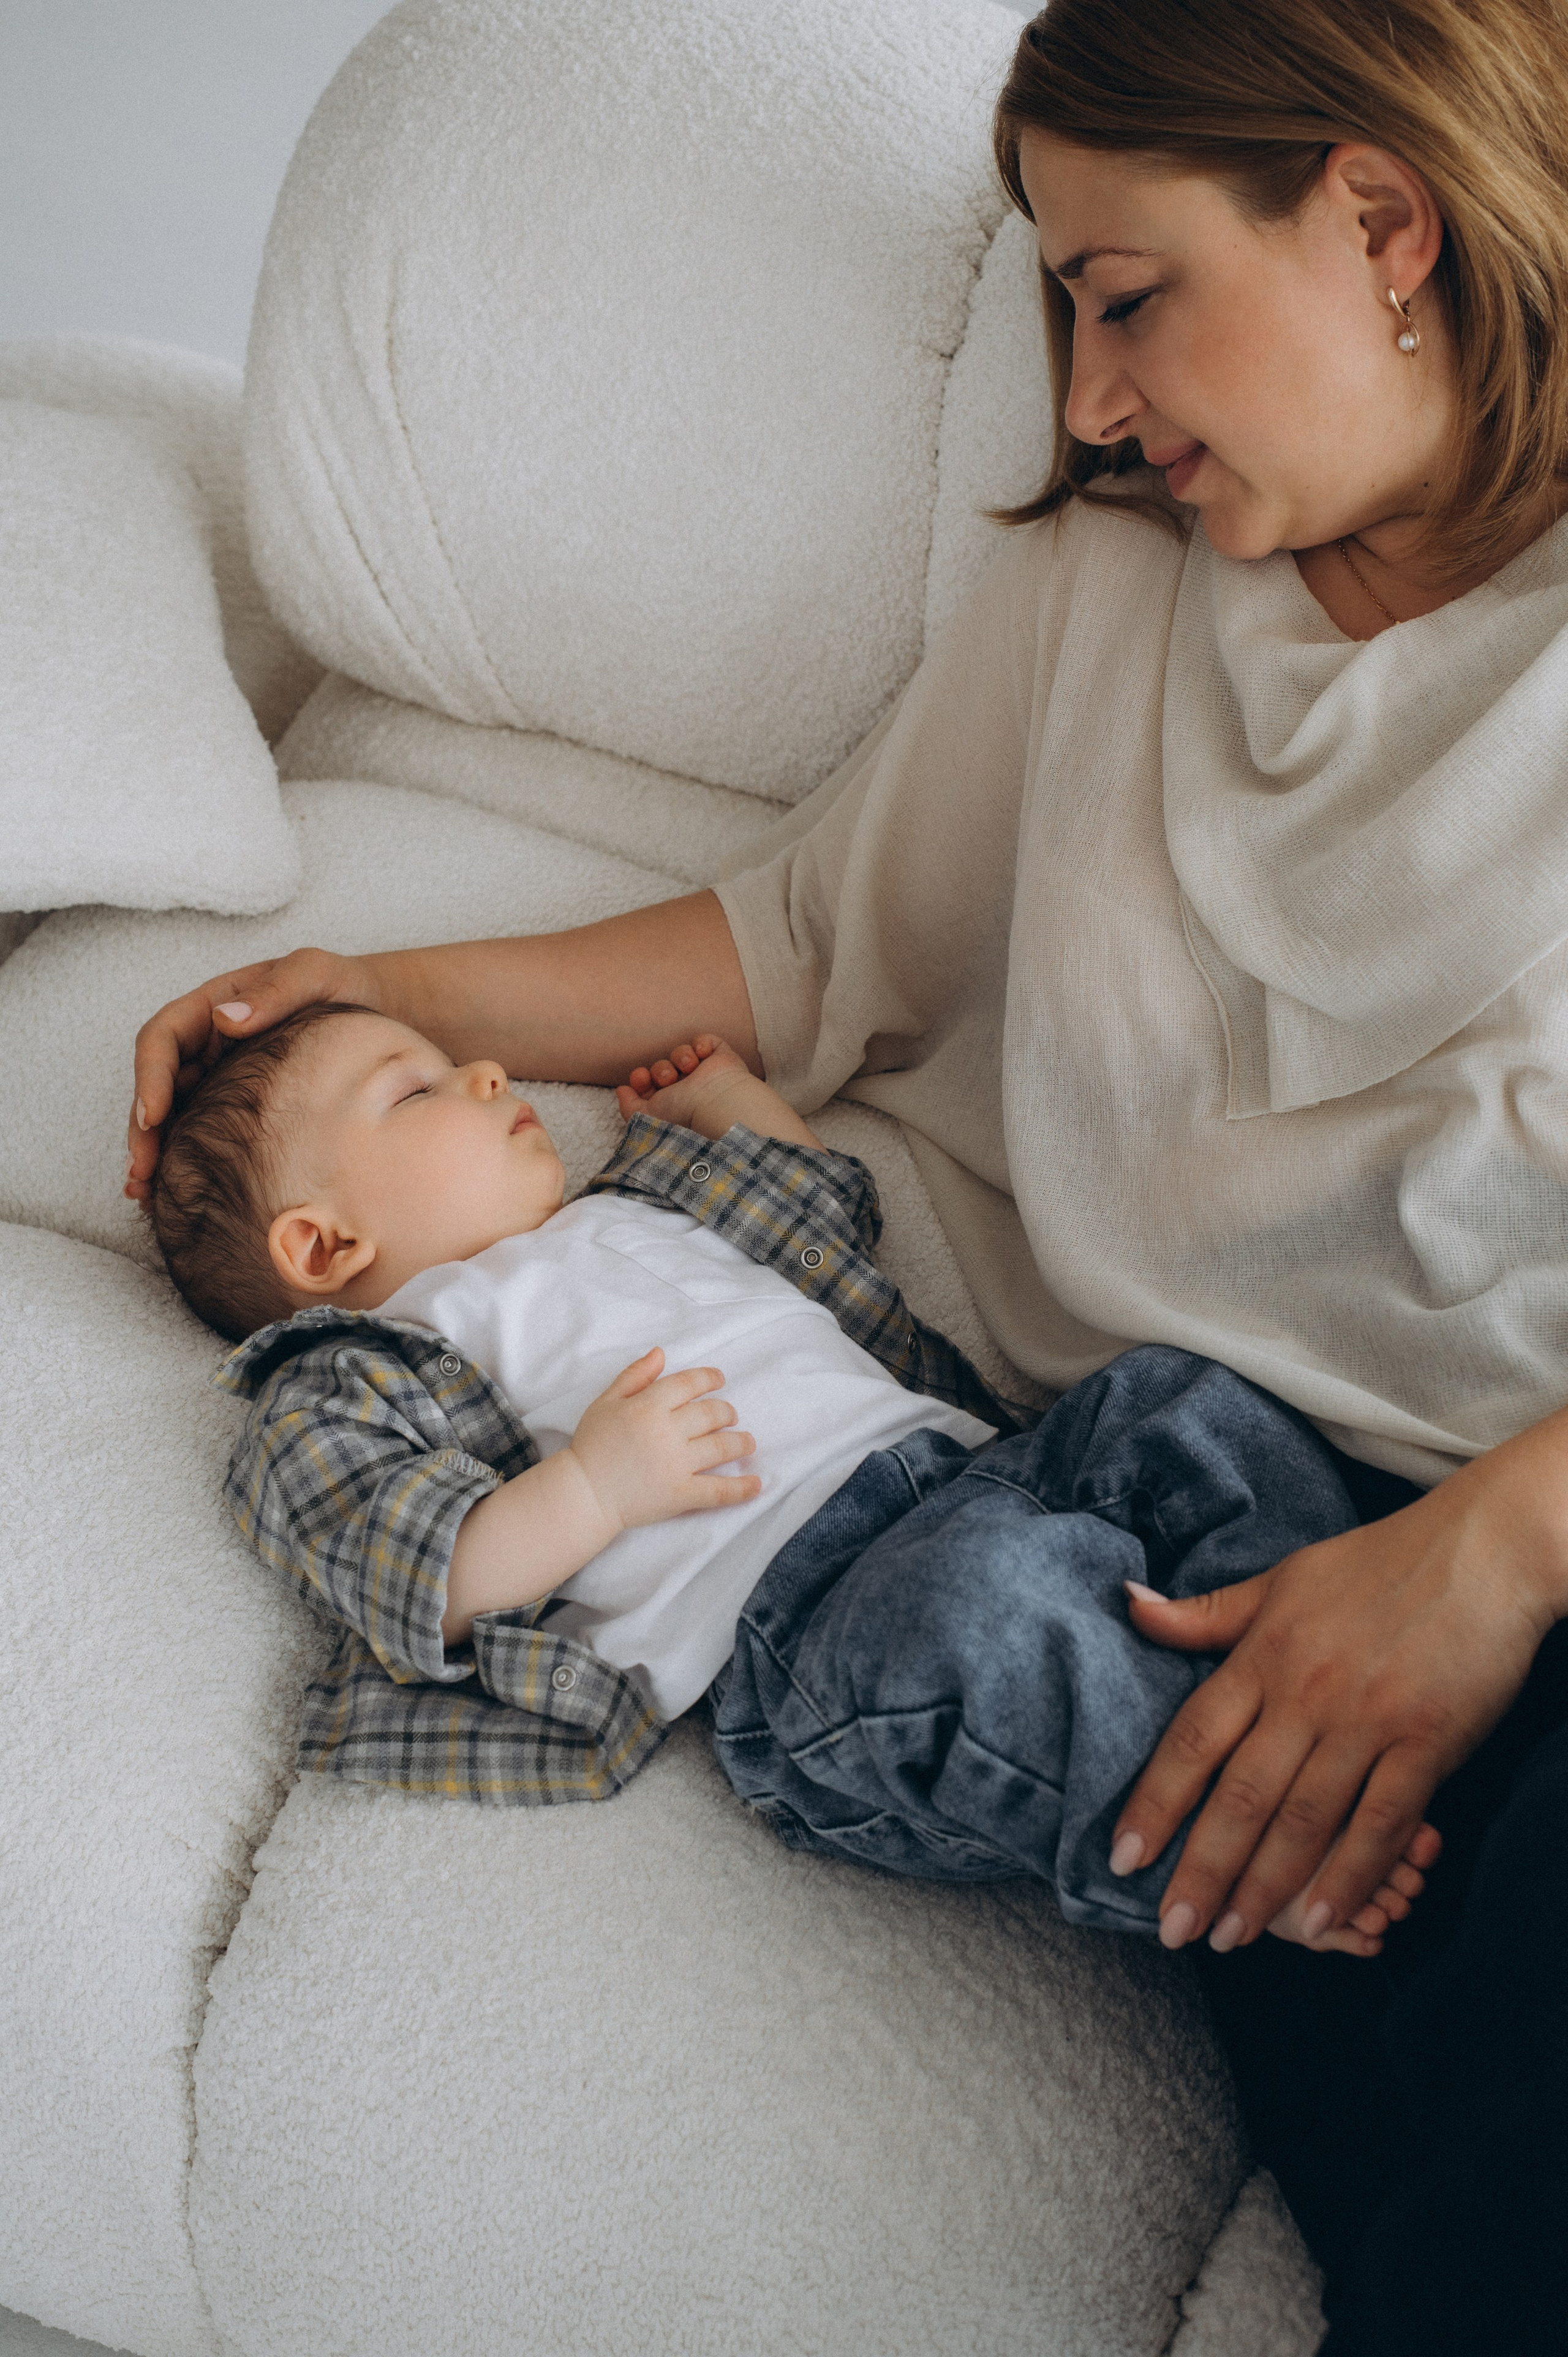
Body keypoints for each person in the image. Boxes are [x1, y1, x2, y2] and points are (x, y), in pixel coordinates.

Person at [125, 1, 1568, 2344]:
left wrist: (1501, 1544)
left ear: (1381, 219)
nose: (1087, 399)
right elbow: (800, 938)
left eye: (1125, 292)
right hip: (1174, 1579)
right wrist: (359, 997)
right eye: (1056, 312)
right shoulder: (1119, 589)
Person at [148, 1000, 1433, 1946]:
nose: (485, 1067)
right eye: (416, 1090)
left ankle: (1307, 1648)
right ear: (324, 1243)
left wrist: (724, 1097)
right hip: (817, 1626)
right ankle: (1251, 1846)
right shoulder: (371, 1367)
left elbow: (811, 1202)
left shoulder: (631, 1204)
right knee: (981, 1627)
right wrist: (594, 1490)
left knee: (1178, 1399)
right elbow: (417, 1575)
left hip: (983, 1465)